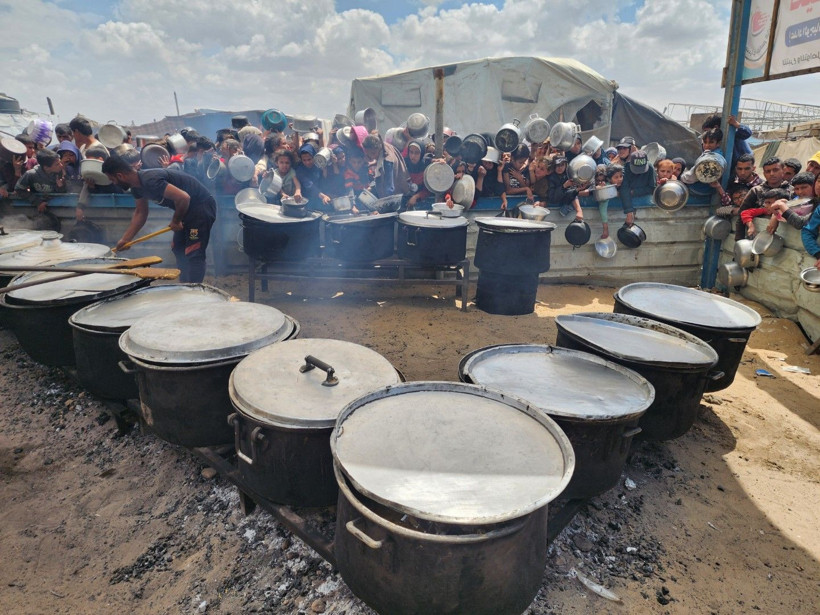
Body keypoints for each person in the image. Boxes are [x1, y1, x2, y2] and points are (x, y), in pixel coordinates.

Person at [102, 155, 217, 283]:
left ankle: (195, 290)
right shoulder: (136, 188)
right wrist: (126, 239)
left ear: (120, 176)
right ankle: (185, 286)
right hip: (186, 211)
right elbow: (141, 212)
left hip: (200, 208)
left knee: (193, 252)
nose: (114, 183)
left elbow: (184, 198)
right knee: (178, 248)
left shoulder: (150, 180)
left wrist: (175, 221)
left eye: (112, 179)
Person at [736, 157, 793, 239]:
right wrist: (739, 240)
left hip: (787, 238)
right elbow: (741, 215)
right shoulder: (756, 190)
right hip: (758, 236)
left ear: (783, 170)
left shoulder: (792, 191)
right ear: (764, 173)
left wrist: (775, 216)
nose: (772, 174)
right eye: (768, 171)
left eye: (775, 170)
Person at [362, 134, 411, 199]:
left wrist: (387, 204)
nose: (370, 156)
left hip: (398, 195)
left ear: (376, 150)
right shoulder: (383, 145)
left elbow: (390, 188)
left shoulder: (387, 162)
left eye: (372, 153)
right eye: (367, 153)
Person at [619, 150, 655, 226]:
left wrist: (634, 192)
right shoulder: (626, 168)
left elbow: (652, 188)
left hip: (645, 202)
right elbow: (624, 189)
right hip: (629, 202)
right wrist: (629, 211)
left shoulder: (650, 168)